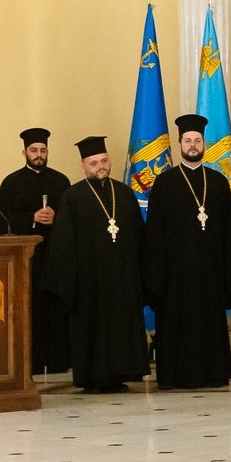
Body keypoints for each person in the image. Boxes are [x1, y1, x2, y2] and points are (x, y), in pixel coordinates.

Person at [143, 113, 231, 389]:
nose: (193, 145)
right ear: (180, 144)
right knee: (177, 327)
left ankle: (213, 374)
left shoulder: (219, 183)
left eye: (197, 140)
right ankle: (176, 376)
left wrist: (230, 273)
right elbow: (154, 236)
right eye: (188, 140)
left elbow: (230, 233)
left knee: (209, 327)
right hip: (176, 278)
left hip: (211, 275)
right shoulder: (164, 184)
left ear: (204, 144)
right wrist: (157, 279)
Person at [43, 136, 148, 393]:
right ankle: (92, 378)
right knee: (92, 329)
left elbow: (139, 238)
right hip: (89, 283)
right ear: (83, 166)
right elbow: (64, 245)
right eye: (94, 163)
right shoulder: (72, 197)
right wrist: (71, 283)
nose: (100, 166)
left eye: (103, 161)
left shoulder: (123, 193)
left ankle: (120, 374)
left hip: (122, 278)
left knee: (120, 328)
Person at [0, 126, 71, 374]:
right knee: (30, 311)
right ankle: (32, 362)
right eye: (34, 150)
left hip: (55, 256)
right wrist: (32, 218)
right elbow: (2, 222)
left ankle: (59, 361)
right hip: (26, 262)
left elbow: (73, 219)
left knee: (56, 308)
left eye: (42, 150)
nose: (39, 154)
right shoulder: (11, 183)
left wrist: (56, 217)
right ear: (24, 152)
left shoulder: (61, 181)